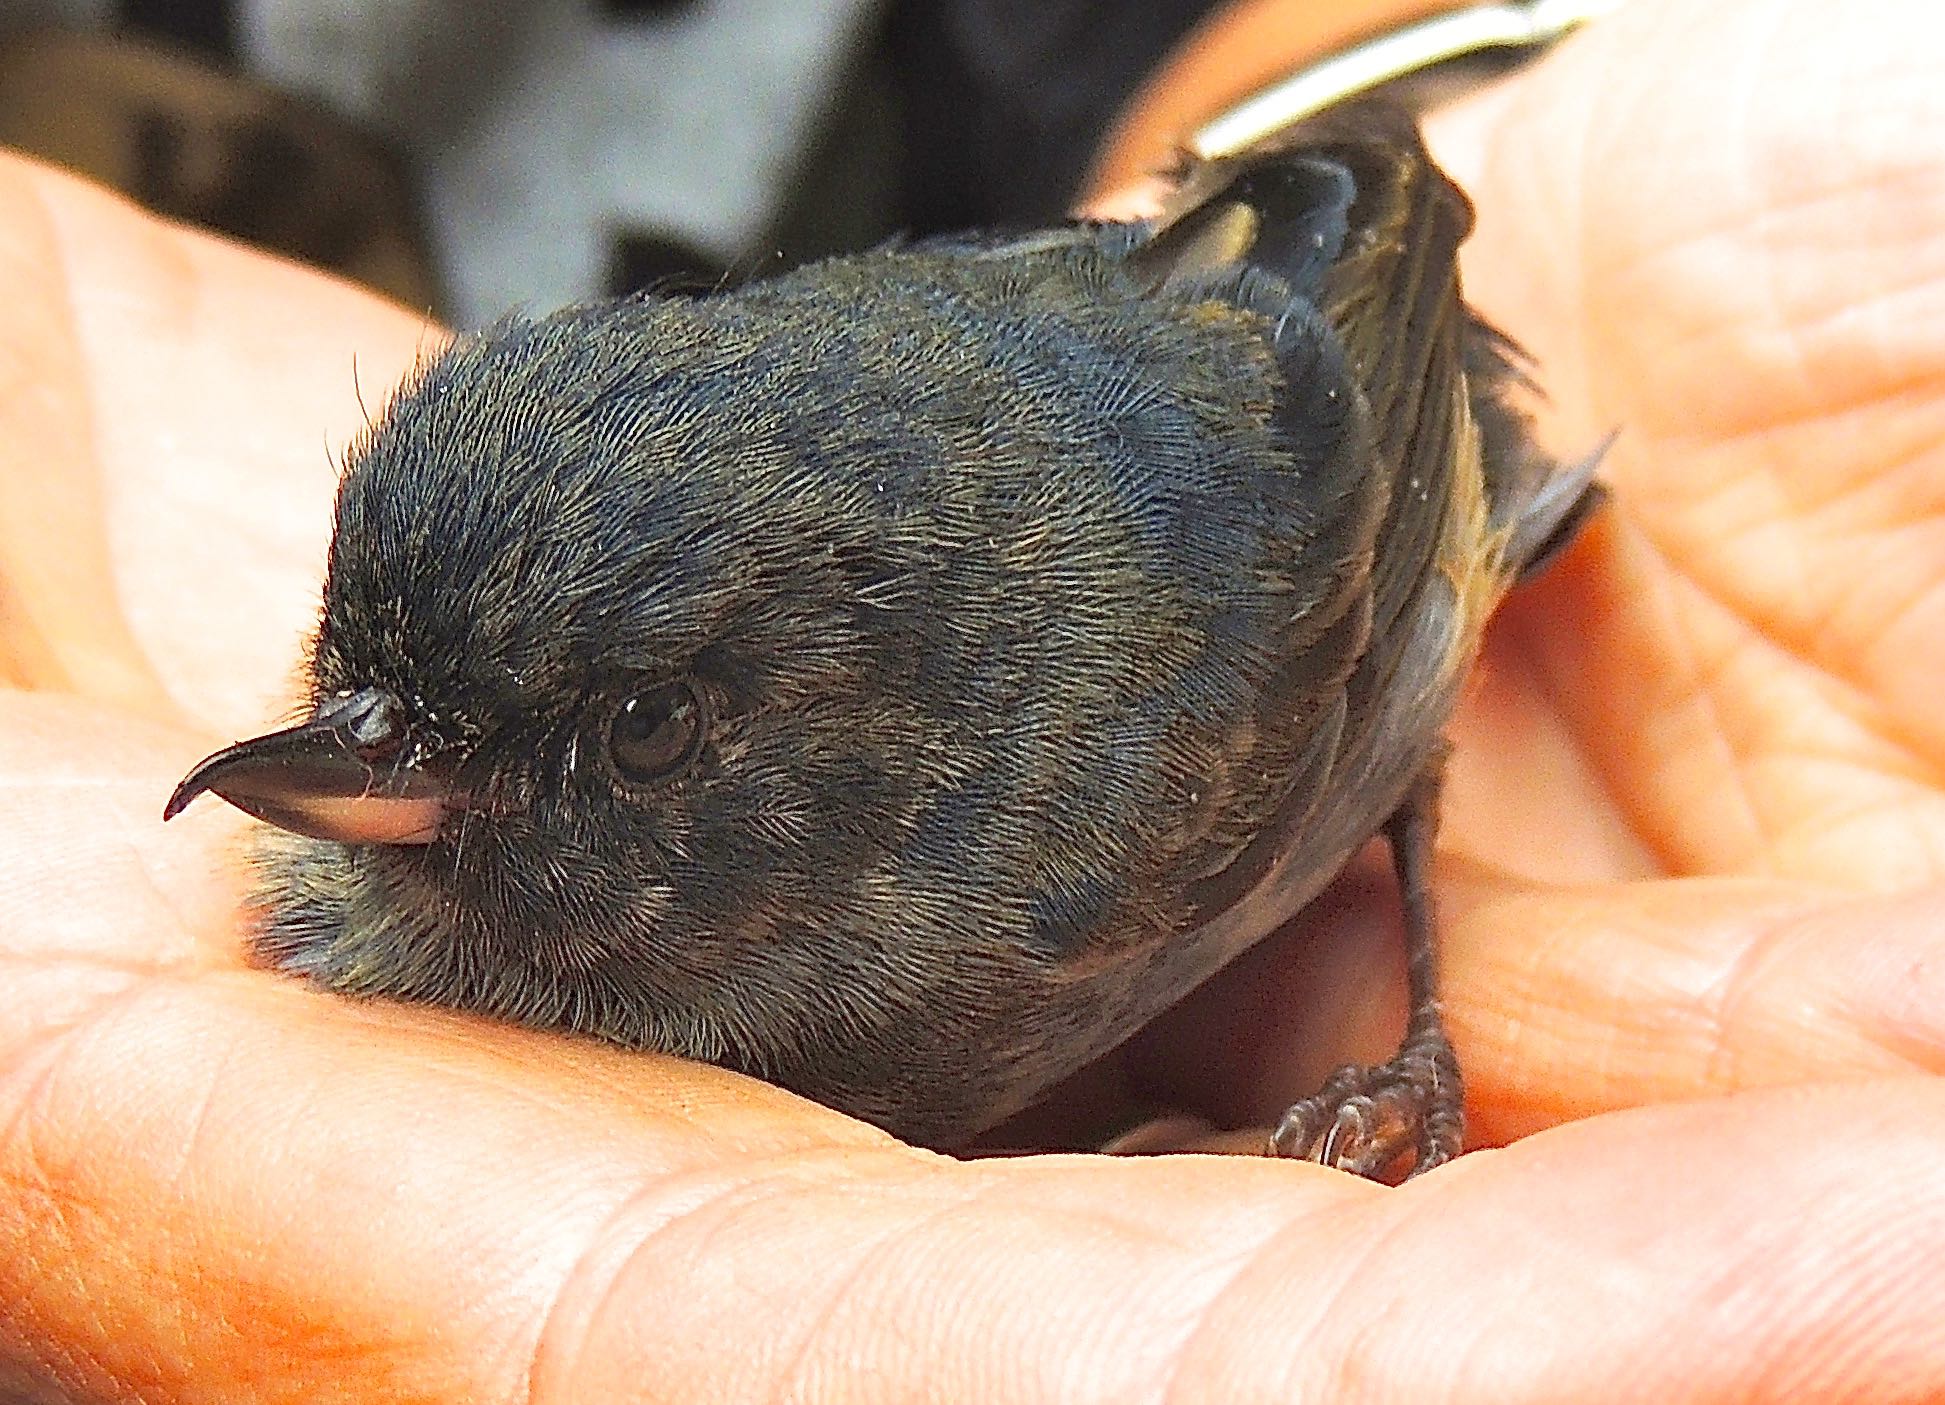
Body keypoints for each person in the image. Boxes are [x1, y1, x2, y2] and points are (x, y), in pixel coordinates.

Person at [2, 0, 1940, 1396]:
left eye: (641, 738)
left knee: (1379, 764)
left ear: (808, 724)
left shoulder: (1086, 791)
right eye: (364, 701)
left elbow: (1340, 318)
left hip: (1322, 409)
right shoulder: (525, 747)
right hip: (1112, 289)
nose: (344, 777)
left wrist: (1415, 1047)